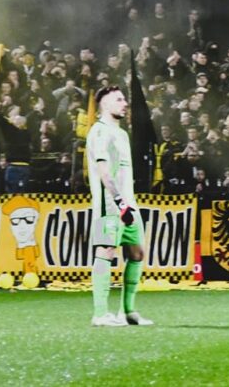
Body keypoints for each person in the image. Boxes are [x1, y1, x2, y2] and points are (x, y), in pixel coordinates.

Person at [86, 86, 152, 327]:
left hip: (128, 205)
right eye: (119, 99)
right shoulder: (99, 132)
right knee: (105, 252)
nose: (125, 103)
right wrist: (119, 201)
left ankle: (128, 312)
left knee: (137, 253)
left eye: (125, 98)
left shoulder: (122, 134)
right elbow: (104, 172)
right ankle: (100, 314)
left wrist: (128, 203)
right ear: (104, 104)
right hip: (109, 206)